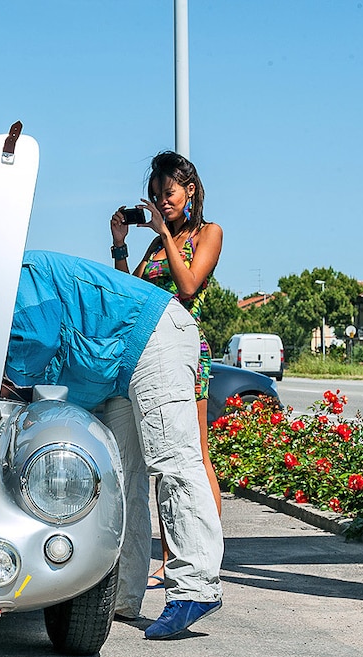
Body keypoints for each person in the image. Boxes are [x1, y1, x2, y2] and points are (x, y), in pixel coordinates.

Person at [5, 249, 223, 640]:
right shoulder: (8, 282)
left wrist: (7, 398)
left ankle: (196, 588)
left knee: (173, 461)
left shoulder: (21, 274)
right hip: (120, 366)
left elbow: (34, 343)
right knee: (121, 482)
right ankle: (122, 596)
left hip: (154, 337)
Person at [109, 151, 224, 590]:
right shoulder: (158, 244)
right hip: (150, 354)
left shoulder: (208, 233)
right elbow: (129, 293)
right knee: (157, 462)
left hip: (187, 351)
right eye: (156, 195)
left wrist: (165, 236)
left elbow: (189, 285)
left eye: (169, 193)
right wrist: (120, 244)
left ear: (190, 190)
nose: (162, 201)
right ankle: (168, 559)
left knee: (192, 456)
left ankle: (202, 558)